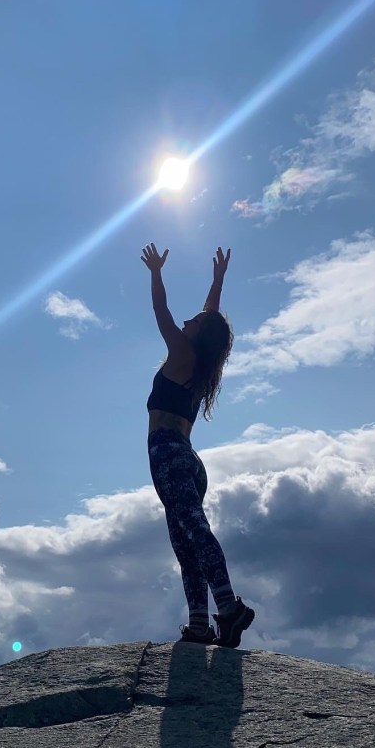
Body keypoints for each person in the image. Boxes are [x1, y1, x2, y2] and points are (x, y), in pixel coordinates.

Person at [141, 241, 254, 647]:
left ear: (198, 335)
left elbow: (162, 313)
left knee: (194, 533)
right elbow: (210, 317)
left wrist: (156, 273)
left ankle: (228, 608)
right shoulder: (203, 362)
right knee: (186, 542)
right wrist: (217, 281)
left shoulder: (183, 353)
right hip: (186, 459)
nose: (187, 321)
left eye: (194, 322)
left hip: (169, 455)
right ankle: (201, 626)